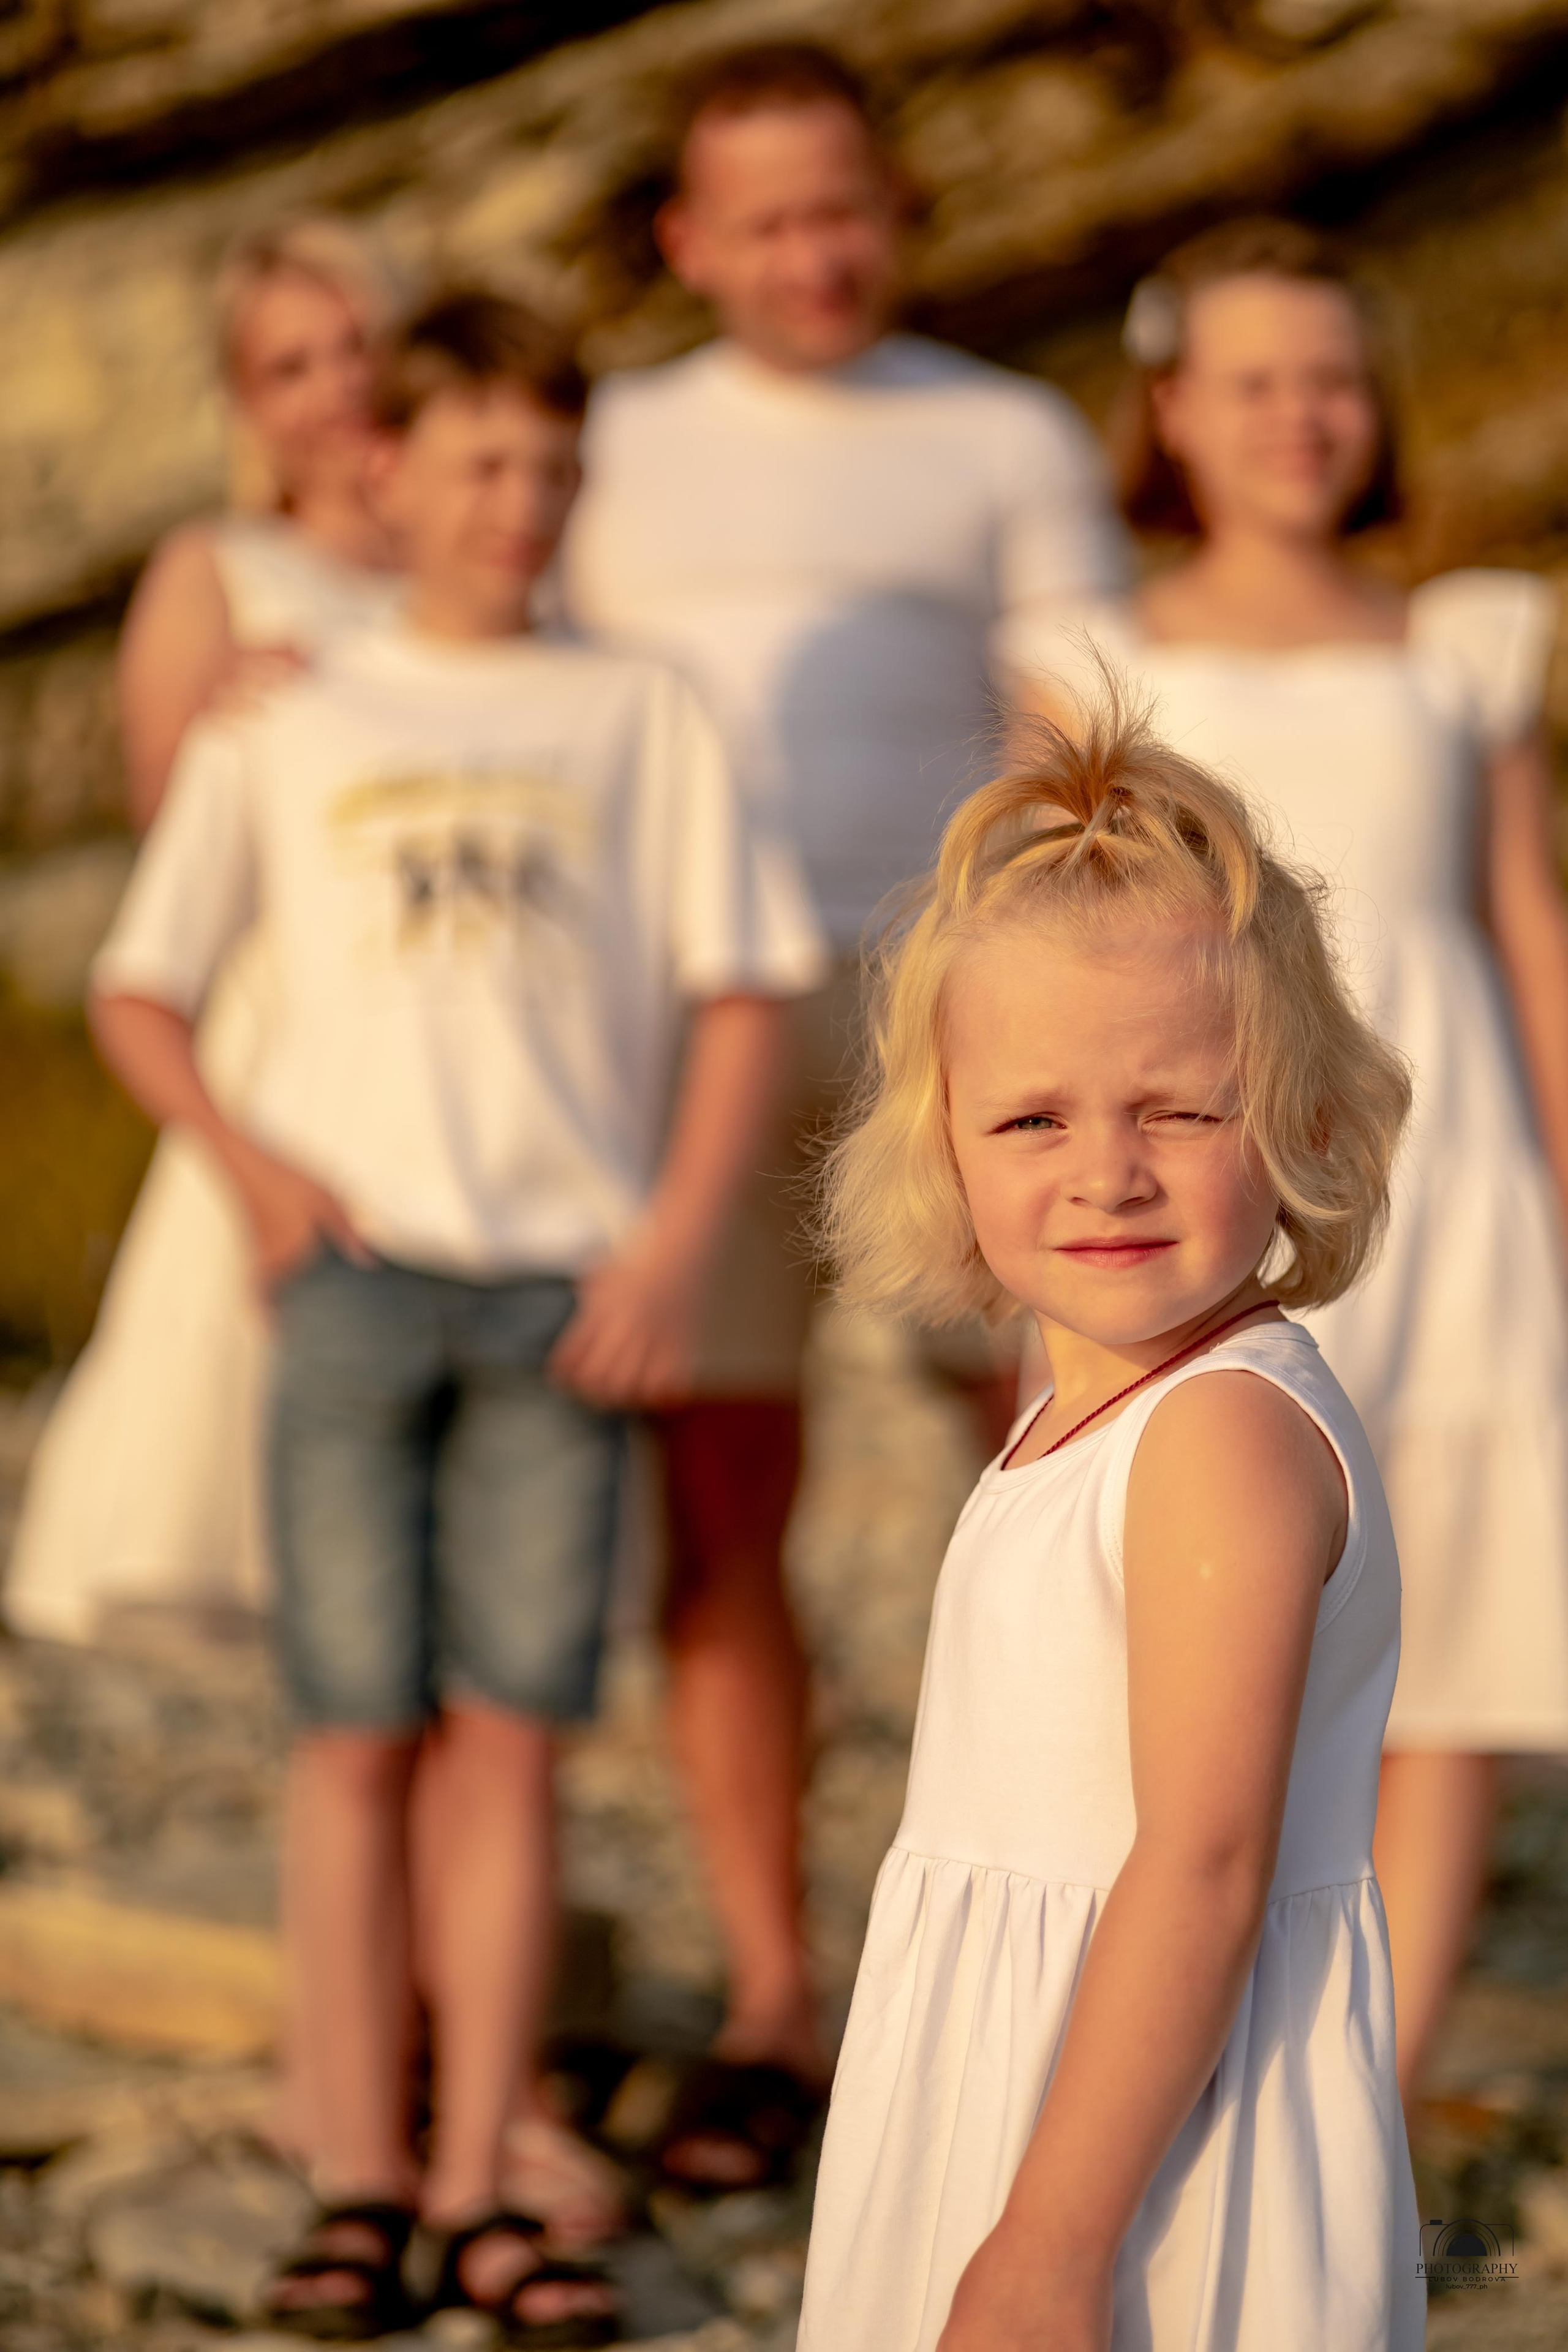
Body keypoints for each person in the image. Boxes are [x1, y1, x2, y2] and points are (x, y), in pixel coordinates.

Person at [86, 290, 824, 2340]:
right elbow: (141, 988)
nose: (523, 501)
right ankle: (357, 2175)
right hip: (350, 1285)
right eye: (483, 461)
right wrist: (257, 1176)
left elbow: (744, 984)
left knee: (511, 1740)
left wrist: (670, 1247)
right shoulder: (292, 714)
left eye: (555, 467)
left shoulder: (642, 711)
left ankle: (487, 2168)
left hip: (560, 1301)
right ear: (385, 469)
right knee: (351, 1739)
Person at [557, 39, 1130, 2157]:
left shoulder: (1000, 433)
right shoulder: (609, 443)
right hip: (683, 1026)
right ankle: (779, 2004)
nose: (813, 255)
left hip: (948, 1004)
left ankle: (1078, 1965)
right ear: (688, 239)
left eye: (844, 211)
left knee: (1055, 1465)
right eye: (768, 220)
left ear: (901, 214)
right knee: (725, 1510)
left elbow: (1087, 726)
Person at [1004, 216, 1568, 2122]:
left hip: (1454, 1180)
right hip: (1196, 1193)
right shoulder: (1089, 662)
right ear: (1171, 409)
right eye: (1253, 383)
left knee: (1456, 1636)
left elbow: (1527, 927)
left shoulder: (1466, 644)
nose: (1299, 417)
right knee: (1183, 1607)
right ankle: (1167, 2068)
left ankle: (1362, 2098)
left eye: (1332, 380)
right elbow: (1045, 956)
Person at [795, 686, 1422, 2351]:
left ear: (1299, 1121)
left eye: (1180, 1110)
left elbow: (1204, 1866)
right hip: (1033, 2091)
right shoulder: (1082, 1410)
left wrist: (1055, 2243)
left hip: (1146, 2169)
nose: (1107, 1172)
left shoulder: (1220, 1437)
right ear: (943, 1147)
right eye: (1032, 1119)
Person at [5, 216, 402, 1646]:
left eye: (357, 346)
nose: (337, 387)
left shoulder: (493, 559)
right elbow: (169, 839)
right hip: (283, 1010)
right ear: (247, 403)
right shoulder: (216, 567)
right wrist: (238, 712)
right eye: (292, 365)